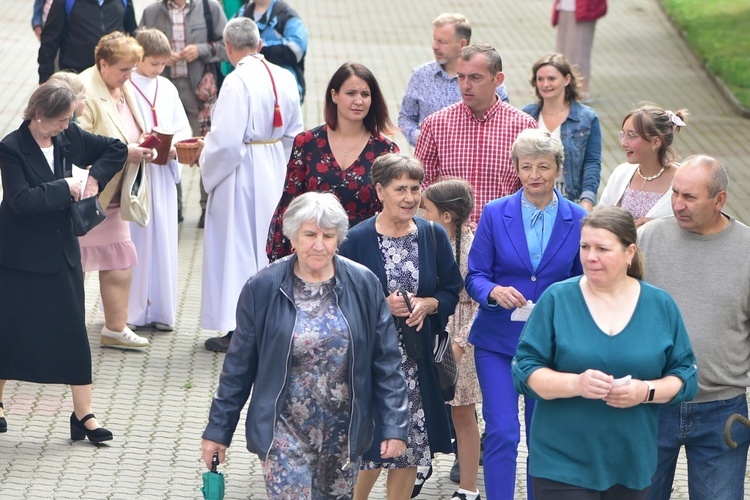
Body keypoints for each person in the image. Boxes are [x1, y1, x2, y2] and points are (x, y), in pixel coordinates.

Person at [201, 192, 409, 498]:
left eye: (328, 235)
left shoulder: (364, 284)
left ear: (339, 239)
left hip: (344, 432)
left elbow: (387, 362)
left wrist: (394, 425)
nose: (319, 244)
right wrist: (218, 432)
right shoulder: (263, 288)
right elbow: (238, 367)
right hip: (284, 429)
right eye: (310, 234)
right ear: (293, 237)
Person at [512, 206, 698, 499]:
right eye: (585, 246)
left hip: (631, 463)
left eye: (602, 248)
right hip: (561, 463)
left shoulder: (660, 305)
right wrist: (575, 383)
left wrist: (644, 391)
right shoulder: (557, 299)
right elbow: (524, 370)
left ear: (629, 252)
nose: (590, 257)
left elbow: (685, 378)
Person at [0, 80, 128, 442]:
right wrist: (65, 187)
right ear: (39, 115)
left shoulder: (69, 136)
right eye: (61, 120)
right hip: (19, 255)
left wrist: (93, 181)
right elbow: (20, 201)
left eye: (70, 118)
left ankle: (83, 415)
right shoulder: (11, 148)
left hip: (61, 252)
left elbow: (115, 149)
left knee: (72, 331)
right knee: (9, 328)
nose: (66, 125)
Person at [465, 129, 588, 499]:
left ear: (558, 170)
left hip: (550, 347)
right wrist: (493, 292)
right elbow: (475, 276)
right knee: (502, 431)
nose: (535, 175)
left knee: (542, 437)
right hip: (497, 342)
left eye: (544, 167)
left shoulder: (580, 218)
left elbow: (584, 281)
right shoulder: (494, 212)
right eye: (527, 166)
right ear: (516, 168)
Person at [338, 153, 462, 500]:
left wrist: (428, 303)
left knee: (411, 447)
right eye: (400, 189)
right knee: (374, 449)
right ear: (379, 190)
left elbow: (451, 290)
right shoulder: (356, 240)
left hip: (418, 361)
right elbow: (339, 301)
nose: (410, 197)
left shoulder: (433, 234)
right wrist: (381, 304)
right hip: (374, 363)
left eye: (415, 188)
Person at [638, 155, 750, 500]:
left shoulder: (747, 250)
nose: (677, 204)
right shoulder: (647, 240)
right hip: (653, 404)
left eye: (689, 197)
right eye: (675, 193)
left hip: (723, 410)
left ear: (719, 200)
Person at [200, 17, 303, 352]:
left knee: (238, 247)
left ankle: (239, 330)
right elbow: (294, 133)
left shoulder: (236, 80)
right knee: (266, 245)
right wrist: (282, 166)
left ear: (228, 48)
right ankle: (270, 322)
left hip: (240, 174)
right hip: (273, 165)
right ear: (260, 44)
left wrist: (207, 171)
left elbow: (227, 143)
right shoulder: (286, 77)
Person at [267, 62, 399, 262]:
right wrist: (280, 256)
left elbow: (391, 212)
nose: (359, 101)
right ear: (334, 95)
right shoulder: (307, 143)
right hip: (312, 253)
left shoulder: (386, 151)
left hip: (365, 255)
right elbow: (290, 201)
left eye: (365, 94)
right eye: (351, 93)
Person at [77, 31, 155, 348]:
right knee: (74, 269)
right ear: (103, 63)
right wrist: (127, 152)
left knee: (119, 264)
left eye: (132, 69)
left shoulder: (123, 87)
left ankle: (114, 329)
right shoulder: (84, 89)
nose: (129, 75)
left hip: (115, 196)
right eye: (124, 69)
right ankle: (61, 329)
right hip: (88, 196)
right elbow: (78, 147)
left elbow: (127, 128)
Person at [415, 44, 538, 224]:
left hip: (502, 236)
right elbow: (420, 184)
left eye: (475, 78)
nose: (466, 85)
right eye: (461, 77)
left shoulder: (523, 127)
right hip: (449, 237)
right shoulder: (436, 125)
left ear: (498, 79)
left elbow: (532, 189)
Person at [139, 0, 229, 226]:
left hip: (200, 91)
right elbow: (137, 49)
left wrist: (201, 50)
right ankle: (174, 207)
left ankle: (207, 208)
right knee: (166, 148)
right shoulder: (151, 12)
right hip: (162, 90)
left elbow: (226, 47)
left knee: (205, 149)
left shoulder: (210, 8)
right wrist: (161, 59)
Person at [127, 28, 192, 332]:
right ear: (138, 58)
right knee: (137, 239)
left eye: (162, 64)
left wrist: (177, 145)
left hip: (162, 174)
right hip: (137, 174)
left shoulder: (166, 87)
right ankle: (133, 311)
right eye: (153, 64)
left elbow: (180, 126)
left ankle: (162, 309)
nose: (158, 70)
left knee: (164, 238)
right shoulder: (126, 84)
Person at [422, 179, 482, 500]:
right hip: (432, 327)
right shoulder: (427, 239)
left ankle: (469, 488)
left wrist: (458, 344)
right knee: (421, 403)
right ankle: (419, 461)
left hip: (462, 338)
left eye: (427, 209)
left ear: (446, 215)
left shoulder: (472, 248)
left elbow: (477, 305)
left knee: (463, 412)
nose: (422, 212)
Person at [398, 13, 509, 147]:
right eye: (434, 39)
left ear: (462, 44)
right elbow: (406, 117)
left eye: (442, 42)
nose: (435, 46)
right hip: (429, 161)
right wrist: (423, 138)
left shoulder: (490, 80)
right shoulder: (421, 75)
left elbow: (504, 120)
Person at [522, 53, 601, 210]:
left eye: (551, 79)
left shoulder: (587, 118)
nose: (545, 84)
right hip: (532, 198)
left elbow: (592, 163)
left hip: (571, 199)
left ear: (566, 79)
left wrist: (587, 200)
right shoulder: (526, 115)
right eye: (540, 79)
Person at [599, 104, 687, 226]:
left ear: (656, 142)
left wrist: (658, 227)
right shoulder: (621, 173)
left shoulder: (684, 181)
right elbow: (600, 219)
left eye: (631, 136)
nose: (623, 142)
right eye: (623, 134)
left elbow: (697, 226)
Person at [38, 0, 137, 83]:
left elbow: (133, 33)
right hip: (77, 77)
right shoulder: (67, 1)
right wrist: (45, 79)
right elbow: (50, 39)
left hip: (113, 78)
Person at [239, 0, 308, 102]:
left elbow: (295, 50)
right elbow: (229, 43)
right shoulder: (242, 13)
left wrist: (258, 49)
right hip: (246, 91)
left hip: (280, 95)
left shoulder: (287, 16)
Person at [552, 0, 607, 100]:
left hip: (583, 8)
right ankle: (564, 89)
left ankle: (583, 90)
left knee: (579, 53)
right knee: (562, 53)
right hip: (565, 7)